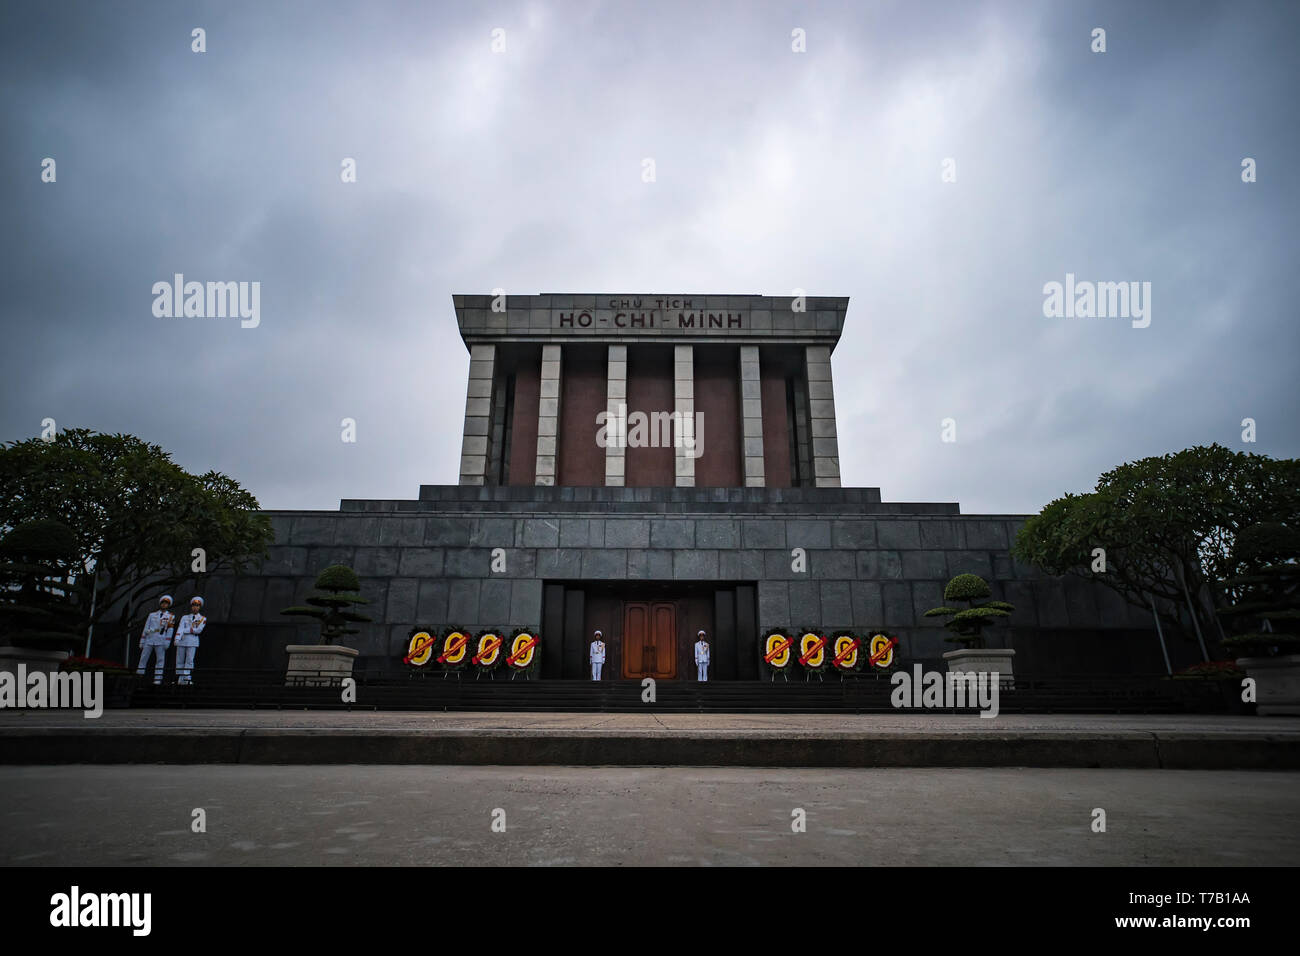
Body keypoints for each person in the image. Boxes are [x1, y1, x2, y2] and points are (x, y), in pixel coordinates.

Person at [137, 595, 176, 685]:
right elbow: (146, 627)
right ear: (160, 603)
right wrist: (142, 640)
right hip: (149, 638)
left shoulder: (170, 616)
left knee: (160, 660)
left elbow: (170, 630)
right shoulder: (152, 615)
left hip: (161, 640)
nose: (164, 605)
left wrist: (167, 641)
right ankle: (139, 676)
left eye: (166, 603)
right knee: (143, 658)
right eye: (163, 603)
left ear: (168, 605)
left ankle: (157, 679)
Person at [173, 596, 207, 685]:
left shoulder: (202, 618)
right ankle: (179, 679)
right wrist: (177, 638)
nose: (195, 607)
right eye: (194, 605)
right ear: (191, 607)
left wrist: (186, 630)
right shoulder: (184, 617)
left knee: (189, 660)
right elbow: (180, 628)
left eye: (197, 606)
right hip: (182, 640)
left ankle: (187, 678)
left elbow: (198, 630)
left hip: (192, 641)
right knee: (179, 660)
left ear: (200, 607)